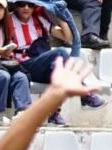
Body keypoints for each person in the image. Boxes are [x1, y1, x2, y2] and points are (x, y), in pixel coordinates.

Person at [7, 0, 105, 128]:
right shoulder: (8, 20)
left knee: (58, 69)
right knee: (60, 52)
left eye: (30, 5)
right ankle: (85, 94)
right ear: (15, 5)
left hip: (39, 64)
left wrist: (60, 16)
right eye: (22, 4)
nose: (26, 8)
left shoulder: (38, 19)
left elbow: (67, 37)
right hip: (22, 65)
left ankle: (53, 114)